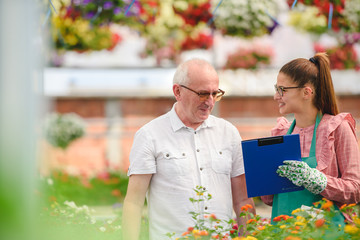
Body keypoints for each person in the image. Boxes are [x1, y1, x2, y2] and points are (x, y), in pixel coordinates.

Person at [122, 58, 255, 240]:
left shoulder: (228, 133)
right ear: (178, 91)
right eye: (202, 94)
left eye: (214, 94)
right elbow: (133, 203)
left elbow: (243, 200)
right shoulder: (150, 135)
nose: (209, 102)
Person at [261, 52, 360, 224]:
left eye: (281, 90)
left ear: (306, 92)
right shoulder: (281, 134)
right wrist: (261, 177)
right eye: (275, 89)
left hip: (324, 233)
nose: (276, 96)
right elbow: (269, 200)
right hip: (284, 232)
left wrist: (317, 180)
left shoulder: (337, 129)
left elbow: (355, 190)